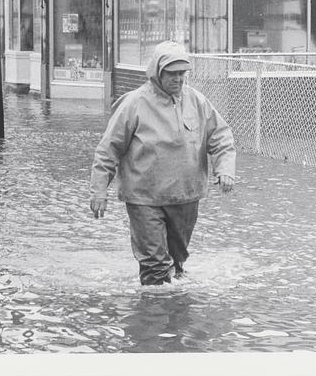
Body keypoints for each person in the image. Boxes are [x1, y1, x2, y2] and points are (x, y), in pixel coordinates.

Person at [90, 41, 236, 285]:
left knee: (177, 263)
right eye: (172, 74)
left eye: (182, 74)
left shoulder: (197, 101)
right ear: (158, 72)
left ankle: (176, 316)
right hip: (144, 198)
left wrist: (225, 170)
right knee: (155, 266)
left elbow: (221, 137)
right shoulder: (134, 104)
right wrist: (99, 190)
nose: (178, 80)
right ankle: (153, 315)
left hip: (185, 197)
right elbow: (108, 150)